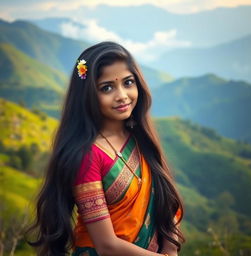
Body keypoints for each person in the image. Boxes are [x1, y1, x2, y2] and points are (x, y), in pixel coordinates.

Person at [26, 41, 185, 256]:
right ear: (88, 94)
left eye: (128, 82)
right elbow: (107, 246)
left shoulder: (141, 139)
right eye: (107, 87)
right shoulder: (87, 156)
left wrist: (171, 249)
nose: (122, 95)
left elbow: (166, 201)